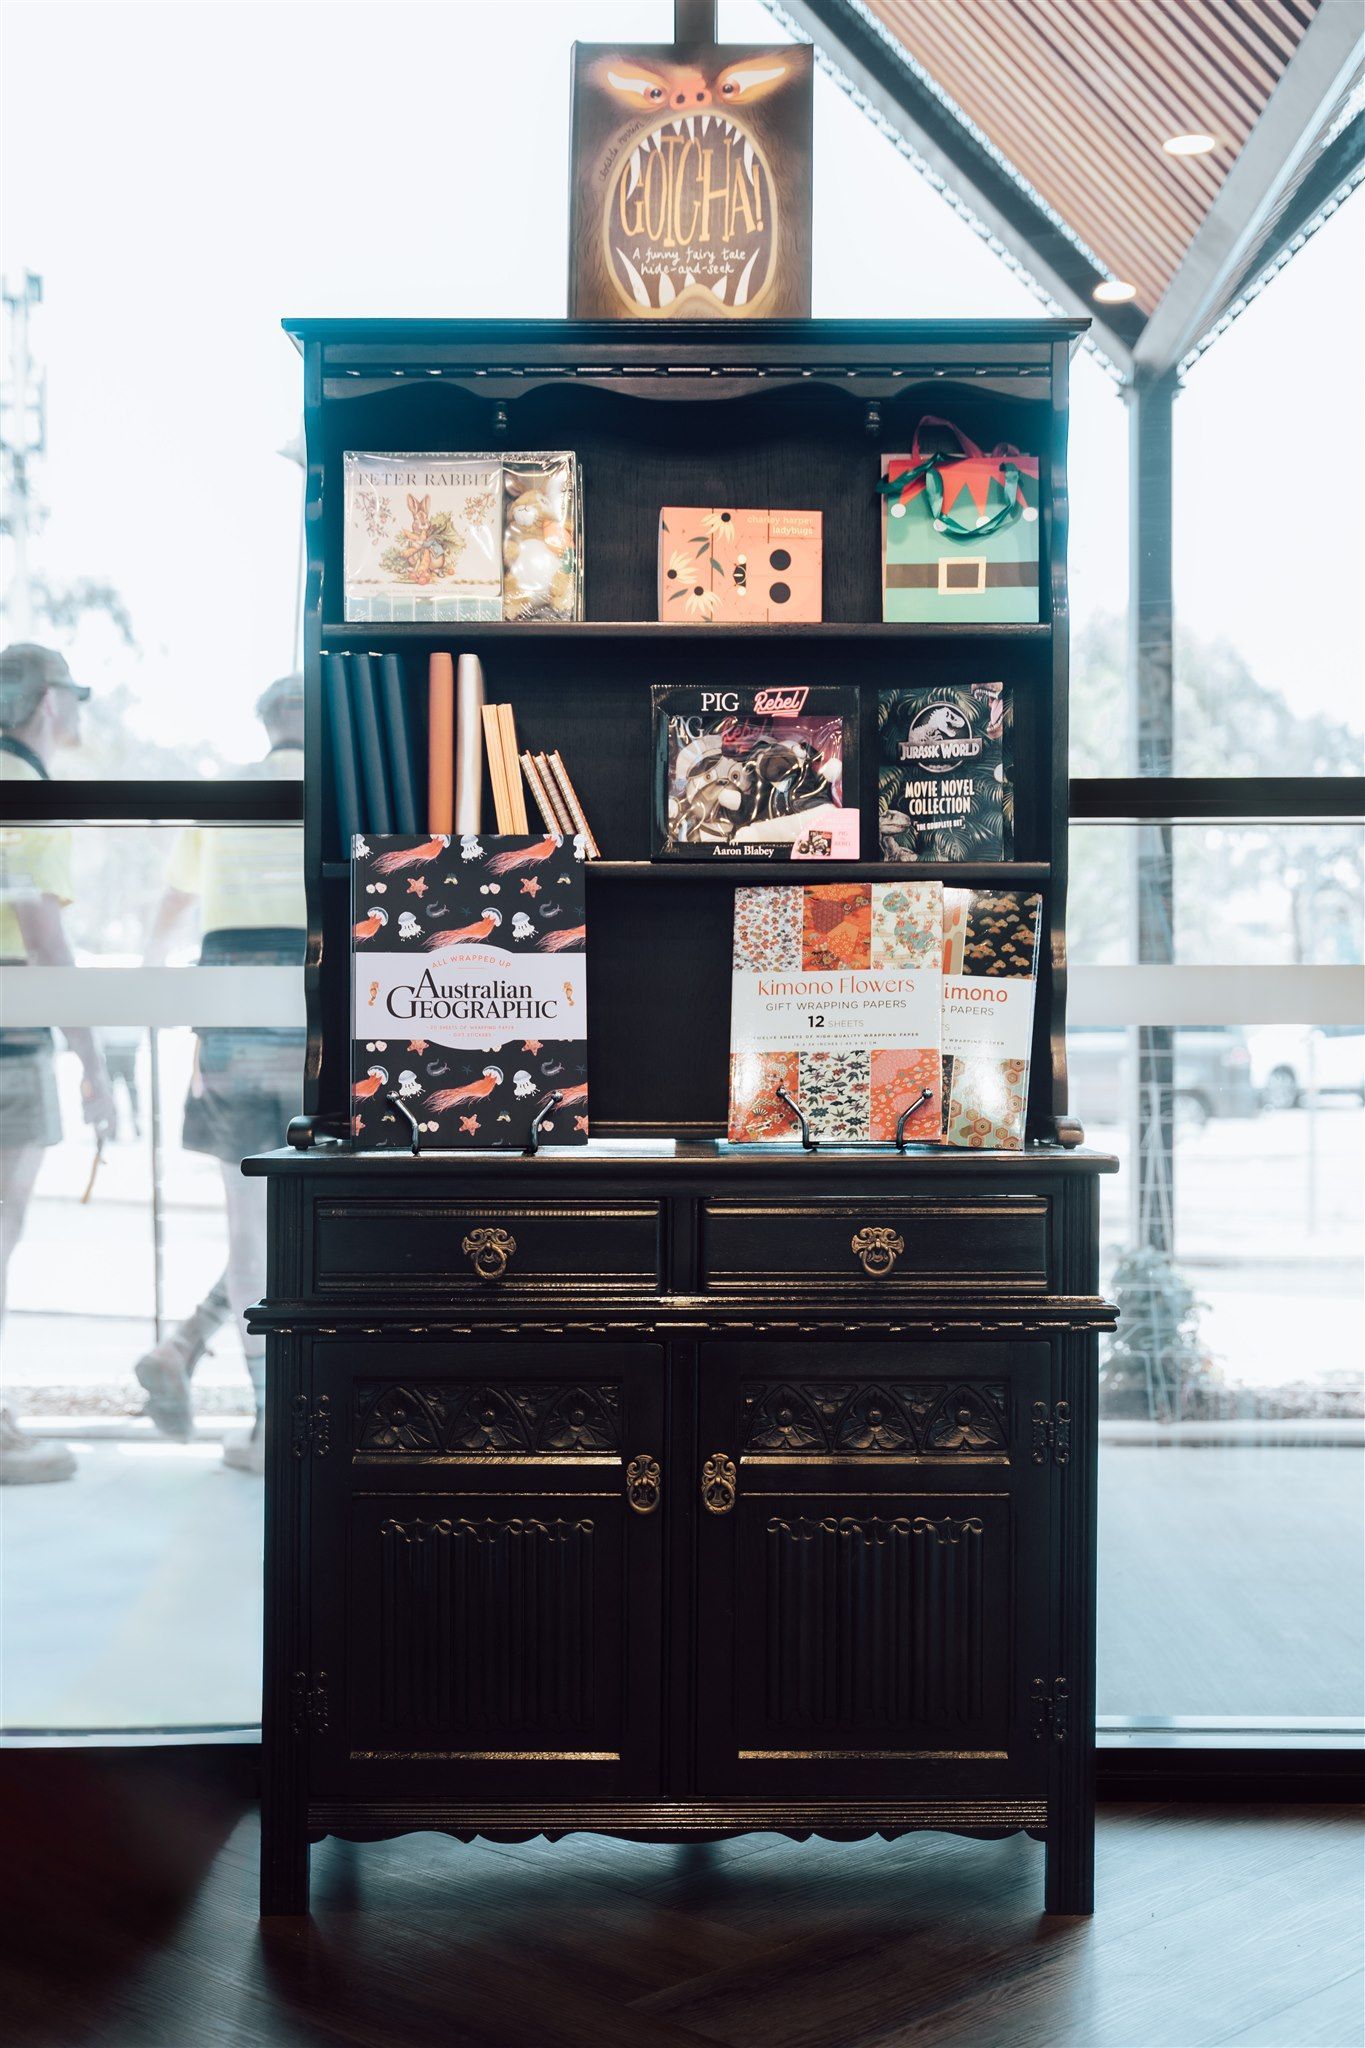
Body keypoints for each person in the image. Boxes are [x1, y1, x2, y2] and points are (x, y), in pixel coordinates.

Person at [135, 675, 305, 1473]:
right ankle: (264, 1406)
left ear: (265, 722)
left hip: (227, 1012)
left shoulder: (224, 796)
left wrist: (146, 980)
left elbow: (170, 908)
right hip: (312, 1008)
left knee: (249, 1226)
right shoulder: (337, 789)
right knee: (304, 1216)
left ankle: (261, 1413)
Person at [0, 644, 117, 1485]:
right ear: (47, 703)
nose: (77, 714)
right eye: (74, 697)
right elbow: (42, 936)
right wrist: (93, 1057)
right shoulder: (28, 790)